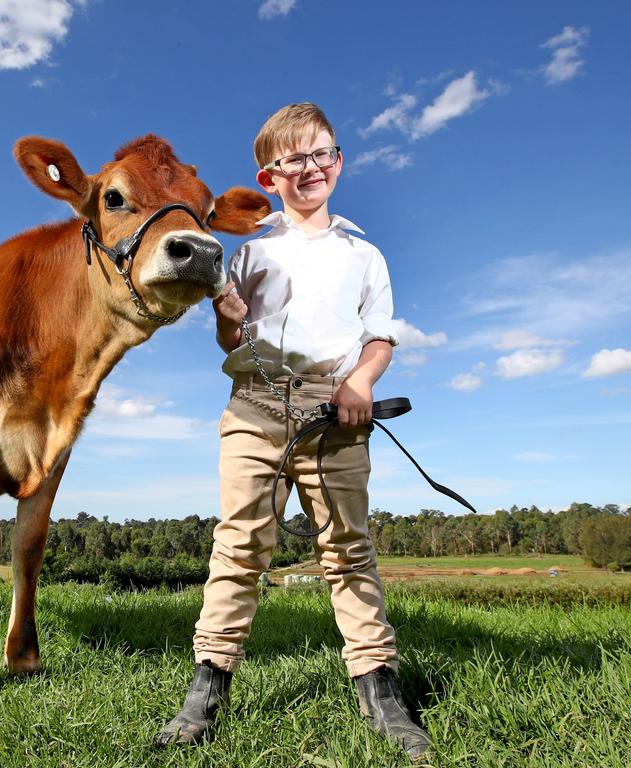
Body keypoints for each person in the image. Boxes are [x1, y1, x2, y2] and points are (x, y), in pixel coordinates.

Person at [156, 103, 430, 759]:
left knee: (348, 551)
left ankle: (380, 689)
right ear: (269, 175)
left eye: (322, 154)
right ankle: (206, 689)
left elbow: (379, 338)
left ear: (338, 162)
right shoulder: (250, 251)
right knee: (240, 546)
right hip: (255, 407)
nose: (310, 168)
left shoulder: (363, 255)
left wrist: (360, 382)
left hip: (336, 414)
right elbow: (232, 335)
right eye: (294, 159)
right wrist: (226, 316)